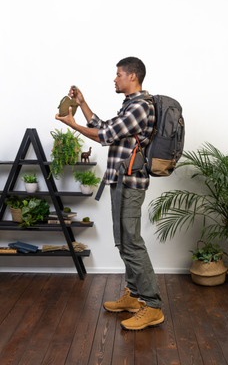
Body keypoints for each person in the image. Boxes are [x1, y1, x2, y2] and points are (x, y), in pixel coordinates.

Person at [55, 57, 164, 331]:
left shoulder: (140, 106)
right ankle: (134, 296)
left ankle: (152, 306)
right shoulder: (131, 105)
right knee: (123, 240)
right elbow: (106, 127)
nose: (114, 79)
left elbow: (104, 136)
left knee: (132, 241)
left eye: (118, 75)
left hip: (130, 182)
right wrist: (81, 104)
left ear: (133, 77)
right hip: (120, 179)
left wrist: (73, 124)